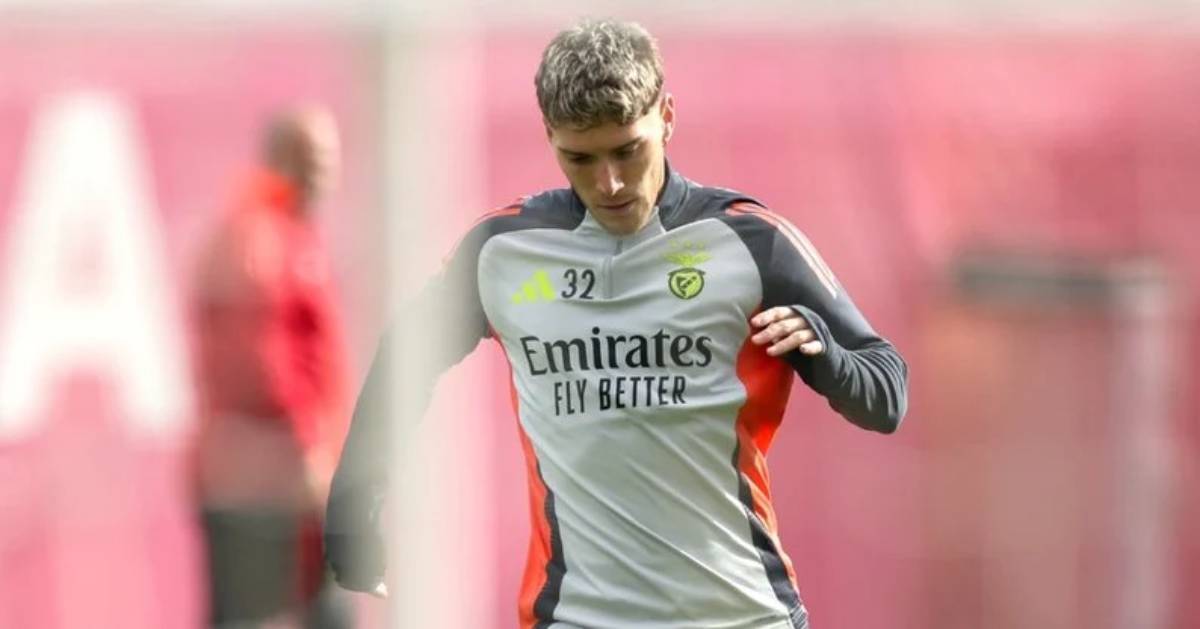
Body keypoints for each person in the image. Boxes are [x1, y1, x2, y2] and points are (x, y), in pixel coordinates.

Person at [326, 19, 908, 629]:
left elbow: (887, 393)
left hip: (740, 614)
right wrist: (352, 506)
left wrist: (826, 356)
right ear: (549, 135)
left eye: (628, 150)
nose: (609, 183)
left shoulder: (750, 241)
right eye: (580, 158)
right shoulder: (502, 251)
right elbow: (405, 359)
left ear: (667, 116)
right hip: (577, 616)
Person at [191, 106, 353, 629]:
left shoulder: (285, 232)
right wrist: (304, 445)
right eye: (316, 158)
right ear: (284, 159)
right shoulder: (261, 236)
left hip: (268, 473)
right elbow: (256, 356)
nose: (328, 172)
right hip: (265, 476)